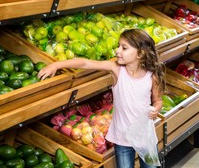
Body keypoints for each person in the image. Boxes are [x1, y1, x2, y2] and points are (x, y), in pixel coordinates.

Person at [38, 28, 165, 168]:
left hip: (144, 136)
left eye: (124, 48)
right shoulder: (117, 70)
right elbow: (85, 63)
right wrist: (57, 64)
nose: (117, 50)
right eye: (118, 46)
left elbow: (158, 100)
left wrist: (155, 109)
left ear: (140, 53)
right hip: (121, 138)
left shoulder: (152, 75)